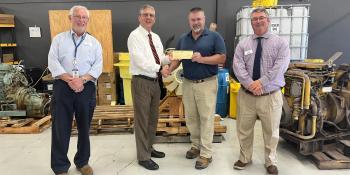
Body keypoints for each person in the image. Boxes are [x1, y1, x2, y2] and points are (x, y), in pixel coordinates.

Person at [165, 7, 226, 169]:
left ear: (204, 19)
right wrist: (169, 69)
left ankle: (206, 154)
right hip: (188, 83)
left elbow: (222, 57)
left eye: (198, 19)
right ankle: (195, 145)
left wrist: (202, 59)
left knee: (206, 118)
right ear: (189, 21)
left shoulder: (214, 36)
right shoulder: (183, 38)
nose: (196, 22)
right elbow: (177, 59)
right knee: (191, 117)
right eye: (193, 20)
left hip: (206, 83)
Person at [232, 8, 290, 175]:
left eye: (261, 18)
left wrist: (261, 83)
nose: (258, 21)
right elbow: (238, 65)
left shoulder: (280, 43)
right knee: (244, 129)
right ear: (251, 22)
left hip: (270, 96)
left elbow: (280, 67)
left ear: (268, 20)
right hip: (246, 95)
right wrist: (250, 84)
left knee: (271, 131)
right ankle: (244, 158)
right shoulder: (243, 44)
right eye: (254, 19)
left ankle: (270, 161)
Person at [48, 5, 102, 175]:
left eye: (84, 17)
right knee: (60, 128)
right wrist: (69, 79)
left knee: (84, 127)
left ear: (88, 20)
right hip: (63, 86)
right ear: (70, 18)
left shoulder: (94, 43)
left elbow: (98, 65)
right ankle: (60, 166)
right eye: (77, 17)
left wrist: (82, 79)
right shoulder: (59, 40)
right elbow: (53, 61)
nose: (81, 20)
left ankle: (82, 162)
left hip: (86, 87)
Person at [127, 4, 170, 171]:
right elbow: (140, 61)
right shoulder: (134, 36)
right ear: (139, 17)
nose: (149, 17)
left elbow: (159, 58)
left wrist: (170, 58)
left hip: (155, 83)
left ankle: (149, 148)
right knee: (142, 120)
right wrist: (160, 68)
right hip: (141, 82)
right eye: (145, 14)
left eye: (151, 15)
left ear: (154, 18)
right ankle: (143, 156)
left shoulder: (156, 37)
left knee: (153, 119)